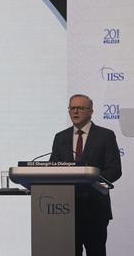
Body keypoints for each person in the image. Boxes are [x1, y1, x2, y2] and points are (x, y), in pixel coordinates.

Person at [49, 94, 122, 256]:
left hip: (95, 207)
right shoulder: (60, 137)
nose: (75, 112)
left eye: (80, 108)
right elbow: (52, 168)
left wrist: (92, 179)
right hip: (66, 209)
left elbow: (115, 169)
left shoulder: (105, 135)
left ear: (91, 111)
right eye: (72, 108)